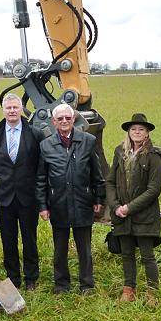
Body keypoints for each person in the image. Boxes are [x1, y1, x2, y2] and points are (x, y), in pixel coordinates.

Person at [37, 103, 105, 294]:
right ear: (54, 122)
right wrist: (43, 205)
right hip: (58, 204)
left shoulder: (88, 141)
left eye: (68, 118)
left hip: (83, 202)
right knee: (60, 249)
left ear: (73, 118)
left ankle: (87, 284)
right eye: (60, 119)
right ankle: (61, 284)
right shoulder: (45, 145)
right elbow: (41, 178)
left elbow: (96, 174)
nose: (64, 121)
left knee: (85, 247)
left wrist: (99, 199)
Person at [0, 93, 44, 290]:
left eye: (15, 107)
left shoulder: (35, 133)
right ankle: (13, 277)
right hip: (4, 198)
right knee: (8, 241)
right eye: (8, 108)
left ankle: (31, 278)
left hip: (28, 197)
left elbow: (39, 165)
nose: (11, 111)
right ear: (3, 110)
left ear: (21, 110)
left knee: (29, 238)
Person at [105, 113, 161, 306]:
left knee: (148, 255)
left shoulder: (154, 156)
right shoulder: (119, 152)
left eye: (141, 129)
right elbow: (110, 182)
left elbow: (153, 189)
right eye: (133, 129)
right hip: (121, 214)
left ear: (147, 133)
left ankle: (152, 293)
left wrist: (129, 208)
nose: (137, 132)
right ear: (128, 132)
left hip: (144, 215)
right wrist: (115, 206)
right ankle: (129, 290)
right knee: (127, 254)